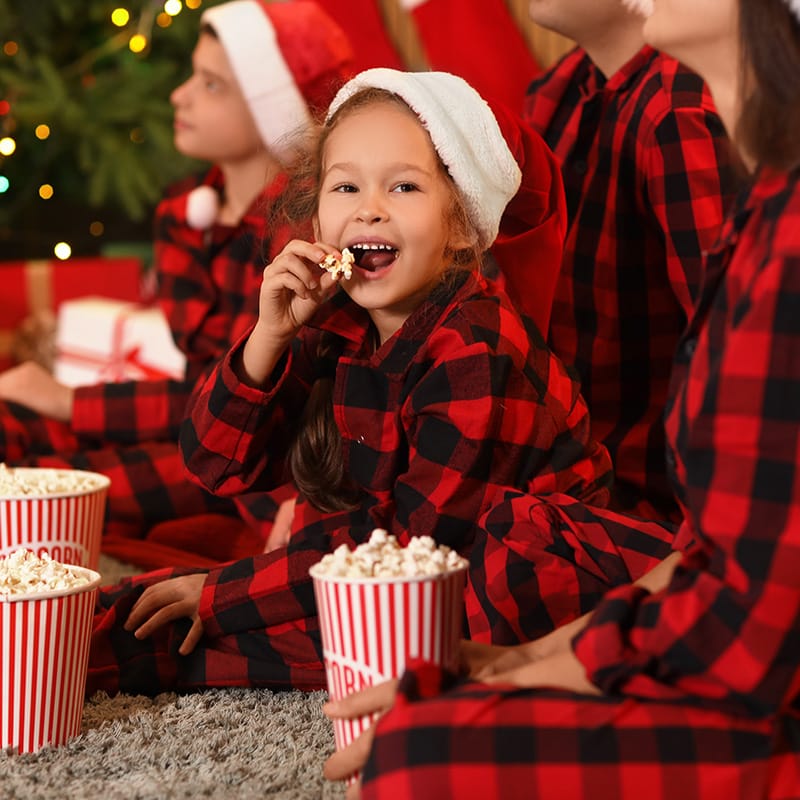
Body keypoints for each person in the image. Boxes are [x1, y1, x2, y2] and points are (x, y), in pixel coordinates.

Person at [322, 2, 800, 797]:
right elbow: (726, 549)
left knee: (421, 753)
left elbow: (748, 634)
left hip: (755, 664)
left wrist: (546, 679)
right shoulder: (762, 211)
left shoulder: (777, 230)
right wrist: (530, 662)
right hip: (722, 613)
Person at [86, 67, 613, 697]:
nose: (369, 208)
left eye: (404, 186)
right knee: (135, 609)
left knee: (179, 638)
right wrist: (268, 338)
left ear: (463, 227)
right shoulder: (338, 318)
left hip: (491, 594)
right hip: (382, 567)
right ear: (315, 220)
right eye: (346, 186)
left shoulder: (479, 348)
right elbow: (214, 464)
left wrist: (220, 592)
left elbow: (409, 546)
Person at [0, 0, 354, 567]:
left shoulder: (304, 235)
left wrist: (73, 402)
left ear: (272, 111)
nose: (178, 95)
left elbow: (242, 391)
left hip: (250, 452)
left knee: (47, 488)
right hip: (192, 421)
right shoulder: (185, 215)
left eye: (211, 85)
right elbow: (198, 380)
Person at [521, 0, 739, 521]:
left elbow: (726, 348)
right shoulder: (560, 88)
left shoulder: (678, 111)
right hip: (554, 475)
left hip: (642, 504)